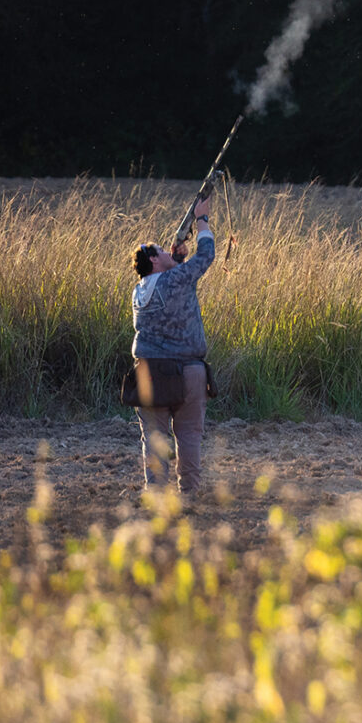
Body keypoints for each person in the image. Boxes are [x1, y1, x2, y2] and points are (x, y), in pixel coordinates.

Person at [130, 193, 217, 500]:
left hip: (148, 373)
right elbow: (206, 257)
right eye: (160, 251)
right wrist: (202, 220)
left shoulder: (139, 291)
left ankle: (155, 495)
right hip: (187, 371)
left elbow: (171, 286)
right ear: (153, 259)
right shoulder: (173, 281)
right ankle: (190, 494)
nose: (167, 250)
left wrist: (177, 259)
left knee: (153, 437)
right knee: (189, 434)